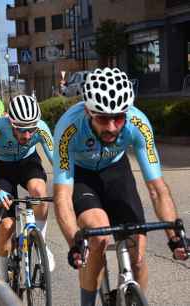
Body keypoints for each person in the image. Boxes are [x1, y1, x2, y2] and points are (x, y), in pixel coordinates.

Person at [52, 67, 189, 306]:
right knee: (99, 237)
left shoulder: (138, 123)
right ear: (88, 111)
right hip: (83, 177)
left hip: (117, 172)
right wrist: (75, 241)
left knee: (137, 256)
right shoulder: (68, 129)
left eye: (118, 117)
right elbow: (62, 197)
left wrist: (174, 237)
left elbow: (157, 188)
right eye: (103, 118)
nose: (113, 127)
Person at [0, 94, 55, 281]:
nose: (28, 135)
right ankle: (3, 279)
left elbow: (60, 164)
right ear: (11, 122)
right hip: (1, 169)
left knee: (40, 193)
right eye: (21, 129)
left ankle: (41, 244)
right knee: (7, 225)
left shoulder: (42, 129)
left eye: (31, 129)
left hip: (27, 162)